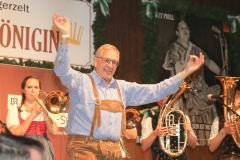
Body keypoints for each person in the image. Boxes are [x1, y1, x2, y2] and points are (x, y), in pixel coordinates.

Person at [52, 13, 204, 160]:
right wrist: (65, 37)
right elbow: (62, 70)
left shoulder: (123, 88)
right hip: (84, 149)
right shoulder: (80, 82)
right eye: (106, 60)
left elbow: (157, 90)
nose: (110, 65)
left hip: (113, 151)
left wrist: (186, 71)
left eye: (114, 62)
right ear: (95, 60)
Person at [162, 20, 223, 145]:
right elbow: (178, 69)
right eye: (182, 28)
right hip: (184, 91)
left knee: (217, 92)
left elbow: (209, 62)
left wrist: (224, 74)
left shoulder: (195, 48)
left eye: (187, 28)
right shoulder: (174, 48)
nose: (185, 30)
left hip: (201, 90)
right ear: (177, 33)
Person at [6, 76, 58, 160]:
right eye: (29, 87)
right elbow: (16, 134)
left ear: (39, 90)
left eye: (36, 87)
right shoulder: (15, 109)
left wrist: (44, 111)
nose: (33, 90)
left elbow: (54, 131)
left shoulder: (45, 109)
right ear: (23, 90)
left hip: (43, 150)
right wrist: (33, 114)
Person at [209, 89, 240, 159]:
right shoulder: (218, 120)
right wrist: (223, 131)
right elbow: (212, 148)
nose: (239, 100)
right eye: (237, 97)